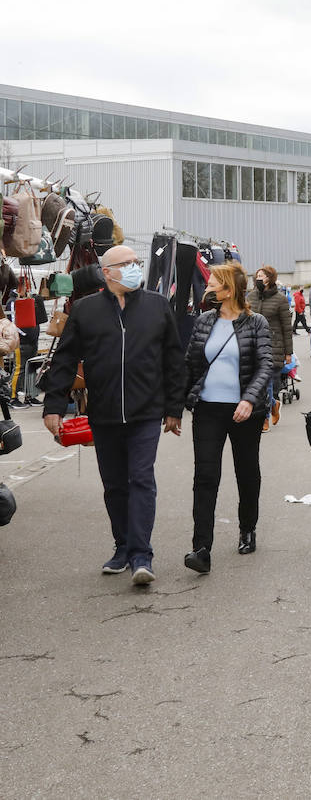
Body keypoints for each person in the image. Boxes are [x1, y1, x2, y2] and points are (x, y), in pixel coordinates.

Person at [40, 245, 186, 586]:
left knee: (141, 479)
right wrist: (54, 407)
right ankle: (122, 547)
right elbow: (64, 359)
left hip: (146, 412)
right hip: (103, 413)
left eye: (138, 262)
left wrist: (173, 409)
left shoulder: (156, 306)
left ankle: (141, 555)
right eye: (127, 263)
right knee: (115, 485)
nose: (135, 267)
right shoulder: (86, 310)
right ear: (107, 272)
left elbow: (174, 361)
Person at [182, 264, 274, 573]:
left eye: (212, 284)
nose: (207, 288)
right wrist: (174, 407)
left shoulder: (255, 322)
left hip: (244, 411)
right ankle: (201, 547)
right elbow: (190, 364)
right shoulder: (204, 322)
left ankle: (248, 527)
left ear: (228, 290)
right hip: (208, 409)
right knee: (205, 477)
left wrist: (250, 399)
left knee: (246, 472)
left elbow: (265, 365)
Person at [247, 265, 293, 432]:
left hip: (273, 346)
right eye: (258, 275)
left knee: (266, 384)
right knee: (256, 383)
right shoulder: (251, 297)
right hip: (253, 345)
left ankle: (264, 418)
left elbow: (287, 327)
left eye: (264, 275)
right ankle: (273, 404)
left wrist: (288, 352)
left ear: (271, 278)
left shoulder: (280, 299)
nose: (260, 277)